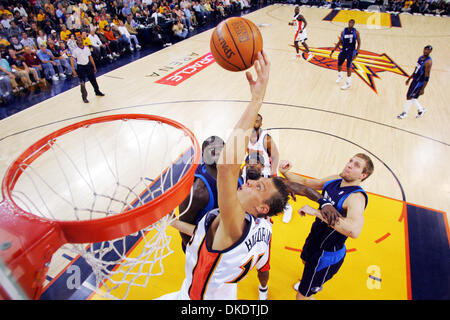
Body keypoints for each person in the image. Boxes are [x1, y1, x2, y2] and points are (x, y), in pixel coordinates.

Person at [159, 51, 291, 300]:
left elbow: (226, 167)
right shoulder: (261, 227)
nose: (251, 181)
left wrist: (256, 100)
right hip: (225, 290)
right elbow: (200, 230)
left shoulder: (235, 225)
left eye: (259, 187)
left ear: (262, 207)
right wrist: (171, 222)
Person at [278, 153, 374, 300]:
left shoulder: (356, 198)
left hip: (327, 252)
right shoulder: (335, 180)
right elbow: (306, 183)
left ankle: (310, 290)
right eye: (350, 160)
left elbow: (354, 230)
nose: (349, 165)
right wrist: (285, 172)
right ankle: (311, 284)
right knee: (305, 261)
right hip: (315, 238)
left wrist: (317, 212)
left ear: (363, 175)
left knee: (301, 297)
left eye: (356, 165)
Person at [397, 45, 432, 119]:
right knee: (412, 97)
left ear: (430, 52)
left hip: (419, 82)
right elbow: (416, 70)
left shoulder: (428, 62)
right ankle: (420, 109)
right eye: (425, 49)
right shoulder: (420, 58)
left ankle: (405, 113)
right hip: (415, 80)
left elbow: (427, 77)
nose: (426, 51)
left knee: (409, 96)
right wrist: (409, 78)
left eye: (428, 50)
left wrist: (423, 89)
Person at [70, 37, 104, 103]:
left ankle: (97, 91)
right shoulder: (75, 51)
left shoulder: (86, 48)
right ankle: (84, 97)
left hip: (88, 66)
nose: (80, 41)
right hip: (81, 67)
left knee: (93, 80)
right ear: (77, 42)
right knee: (82, 84)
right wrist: (73, 70)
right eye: (79, 40)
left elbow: (90, 57)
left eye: (81, 40)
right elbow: (72, 60)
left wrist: (94, 66)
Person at [330, 19, 361, 90]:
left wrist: (357, 52)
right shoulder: (343, 31)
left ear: (354, 24)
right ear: (348, 23)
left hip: (351, 51)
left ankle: (348, 83)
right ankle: (340, 76)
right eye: (349, 22)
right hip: (343, 50)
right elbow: (339, 41)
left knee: (348, 67)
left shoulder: (356, 32)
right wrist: (333, 50)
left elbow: (359, 43)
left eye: (352, 23)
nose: (350, 24)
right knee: (339, 63)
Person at [247, 113, 279, 178]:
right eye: (252, 121)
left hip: (265, 171)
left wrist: (273, 172)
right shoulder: (245, 137)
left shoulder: (266, 139)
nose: (253, 123)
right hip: (252, 170)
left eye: (256, 121)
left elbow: (275, 156)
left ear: (260, 124)